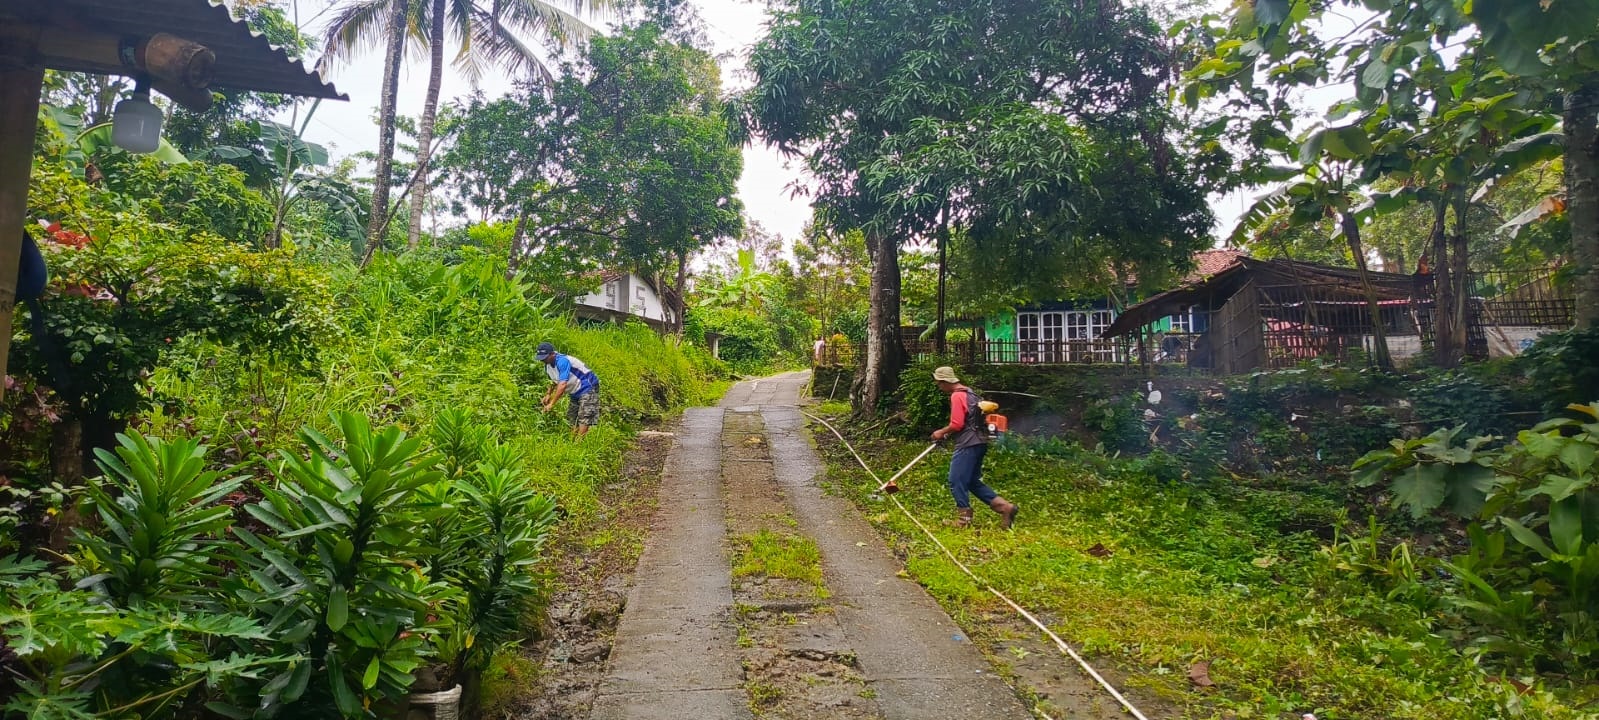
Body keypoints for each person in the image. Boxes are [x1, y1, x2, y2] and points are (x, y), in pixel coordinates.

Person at [929, 366, 1018, 529]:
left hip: (968, 443)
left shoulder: (957, 396)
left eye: (939, 384)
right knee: (971, 481)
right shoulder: (971, 393)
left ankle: (964, 520)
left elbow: (957, 423)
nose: (939, 387)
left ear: (946, 381)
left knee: (955, 480)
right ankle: (1005, 507)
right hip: (980, 441)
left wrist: (941, 432)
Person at [537, 342, 600, 438]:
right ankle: (573, 439)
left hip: (587, 386)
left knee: (585, 416)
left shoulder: (562, 361)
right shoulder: (547, 365)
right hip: (574, 390)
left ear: (552, 354)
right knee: (572, 416)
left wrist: (551, 404)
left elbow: (562, 385)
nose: (543, 360)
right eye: (541, 358)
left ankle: (579, 444)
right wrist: (548, 394)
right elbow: (553, 381)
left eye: (545, 357)